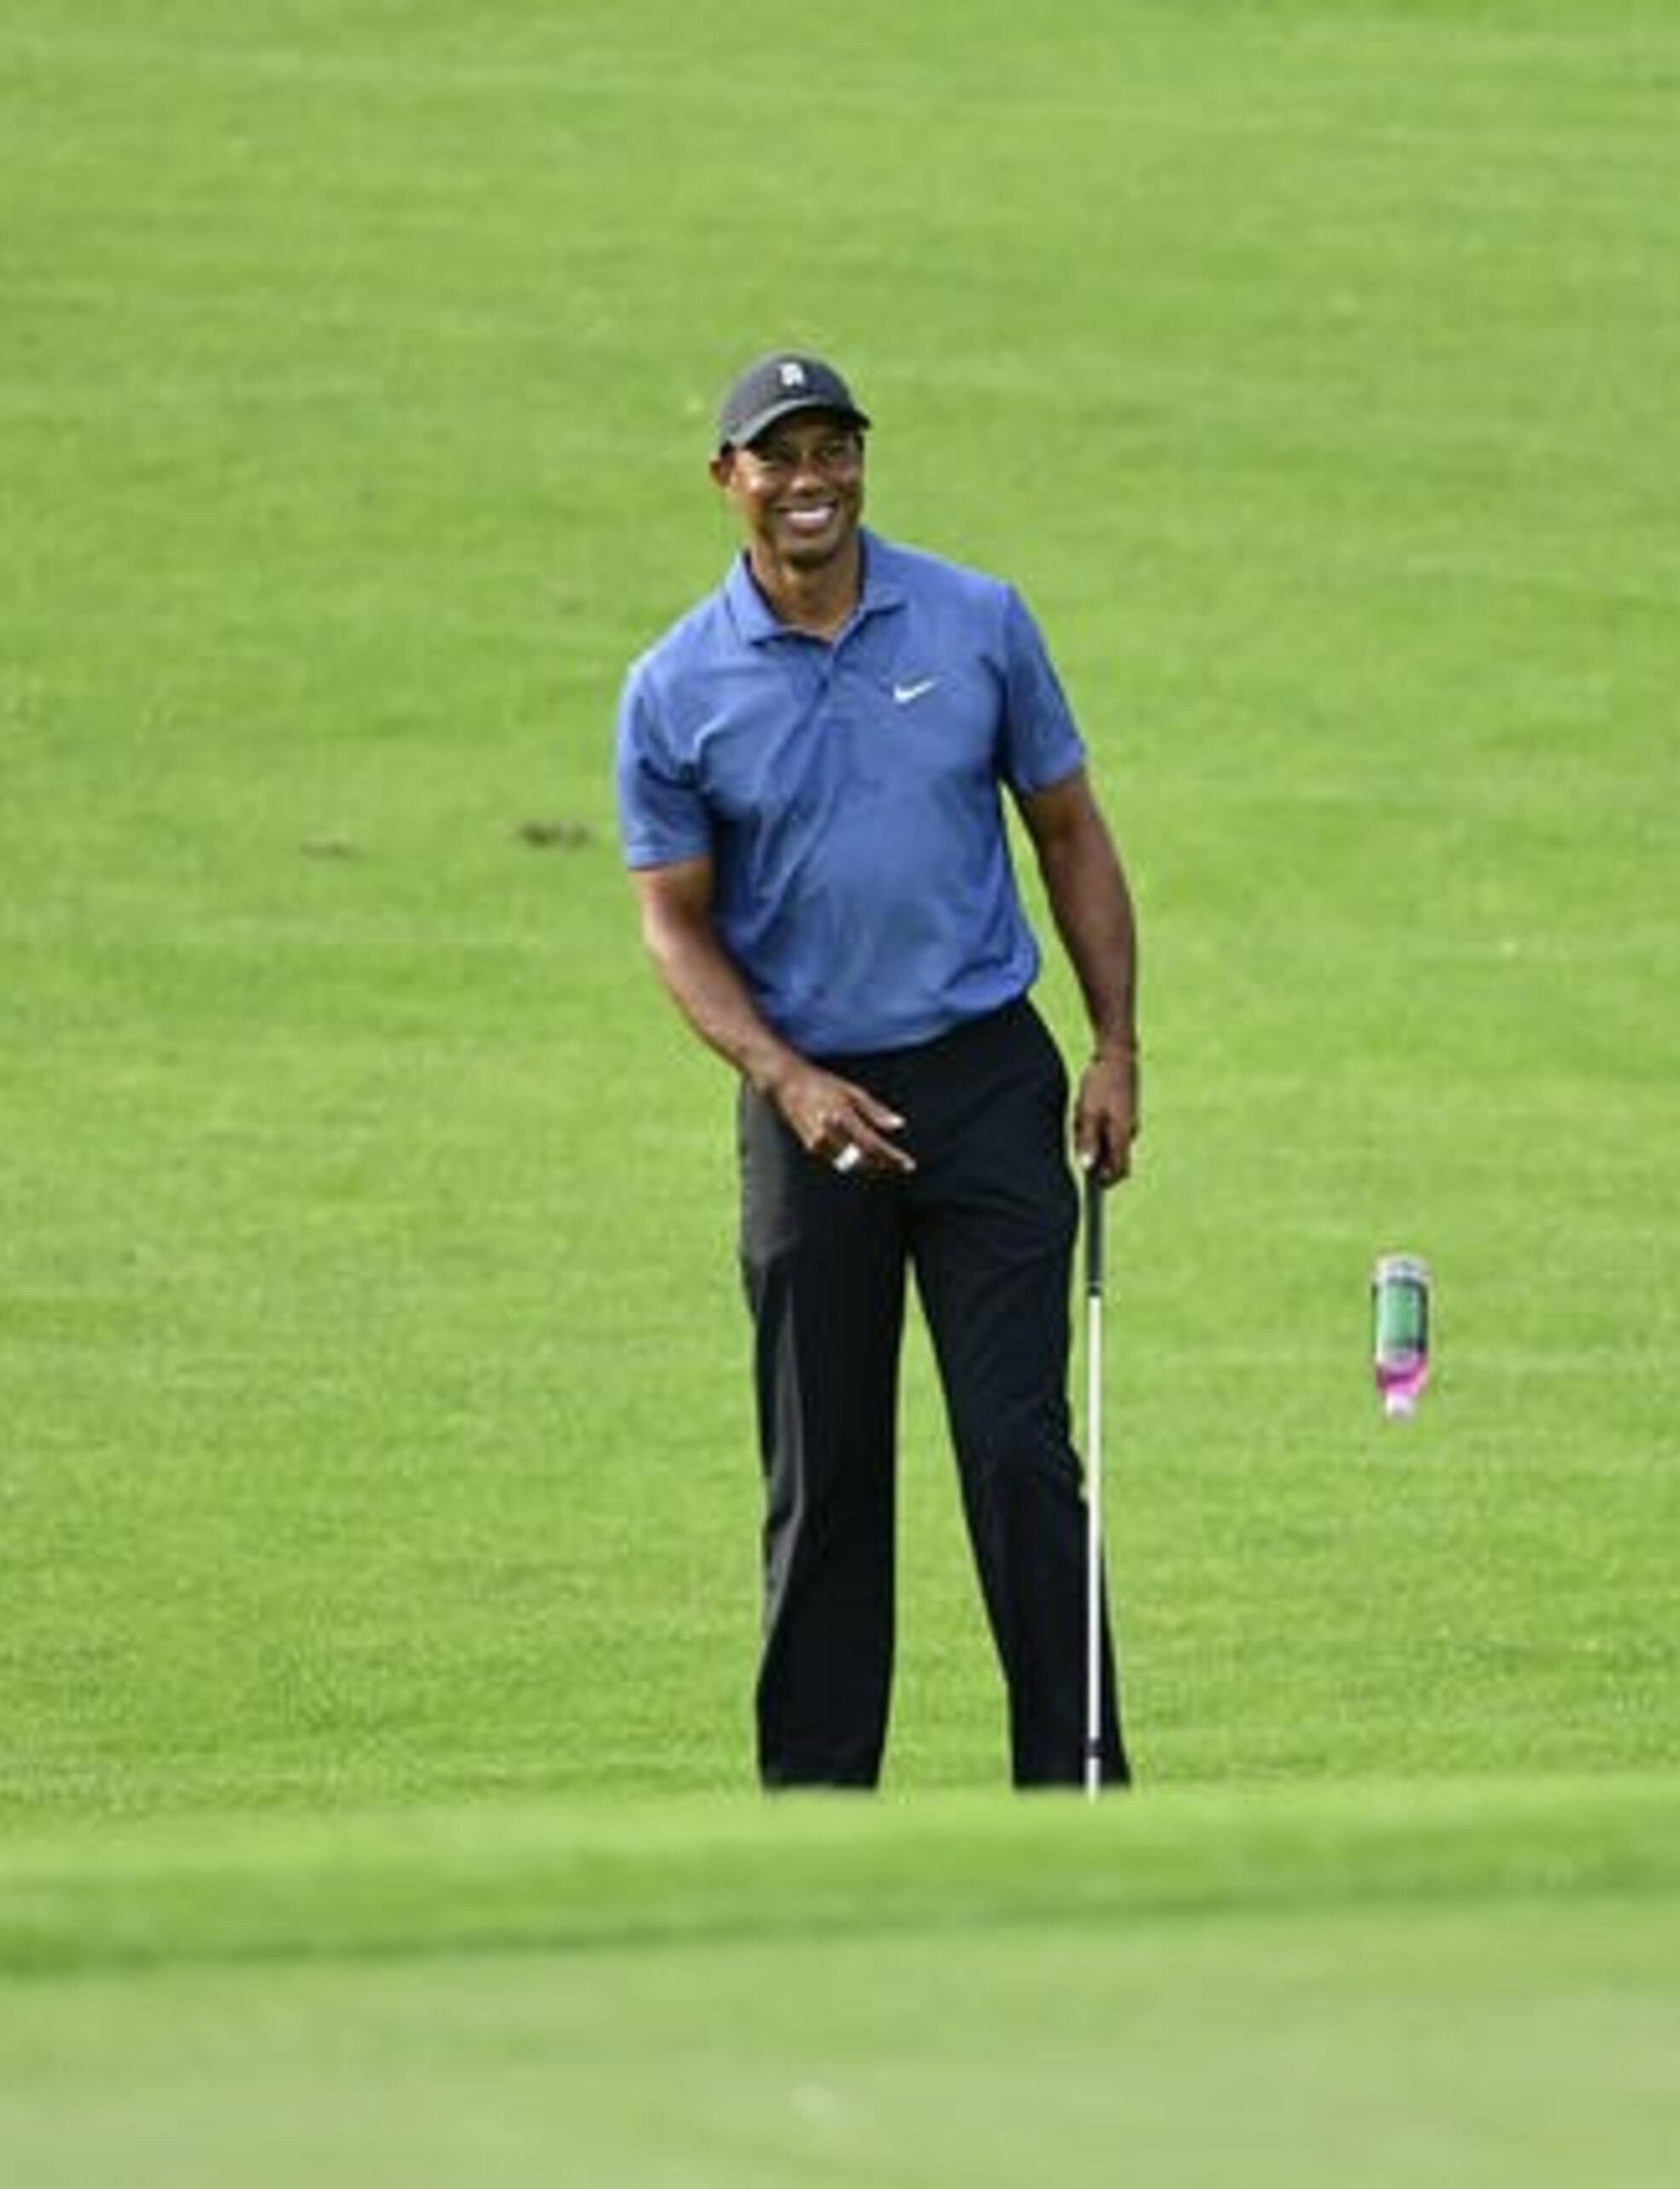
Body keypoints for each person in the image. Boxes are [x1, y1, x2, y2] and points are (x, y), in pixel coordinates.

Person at [613, 349, 1138, 1790]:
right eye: (777, 456)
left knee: (1019, 1452)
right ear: (729, 480)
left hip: (983, 1082)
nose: (810, 481)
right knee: (826, 1477)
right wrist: (785, 1080)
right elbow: (675, 924)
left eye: (833, 449)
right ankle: (821, 1814)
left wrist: (1114, 1046)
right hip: (811, 1111)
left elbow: (1071, 833)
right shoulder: (675, 688)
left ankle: (1079, 1793)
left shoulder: (975, 623)